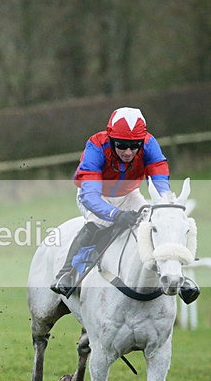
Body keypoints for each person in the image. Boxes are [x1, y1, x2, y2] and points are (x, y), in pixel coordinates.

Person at [50, 107, 171, 297]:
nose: (129, 152)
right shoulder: (96, 145)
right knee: (100, 223)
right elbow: (90, 196)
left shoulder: (149, 144)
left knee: (156, 221)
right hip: (95, 196)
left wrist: (165, 203)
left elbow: (159, 178)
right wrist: (115, 214)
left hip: (129, 194)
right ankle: (66, 274)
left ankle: (177, 275)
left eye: (134, 145)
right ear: (111, 139)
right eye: (122, 145)